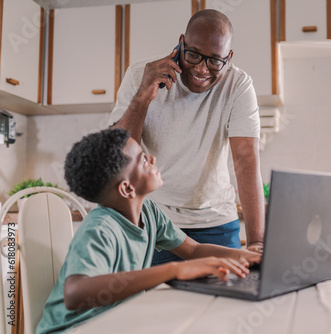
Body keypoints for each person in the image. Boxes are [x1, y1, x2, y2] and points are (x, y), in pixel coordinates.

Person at [36, 128, 261, 334]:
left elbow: (193, 250)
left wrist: (251, 257)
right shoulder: (101, 229)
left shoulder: (150, 212)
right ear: (127, 188)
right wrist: (174, 270)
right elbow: (75, 294)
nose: (152, 158)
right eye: (143, 160)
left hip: (114, 324)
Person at [109, 9, 266, 264]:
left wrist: (257, 241)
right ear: (181, 42)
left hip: (216, 224)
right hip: (153, 221)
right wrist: (143, 96)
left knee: (227, 302)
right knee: (154, 302)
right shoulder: (140, 75)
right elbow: (118, 154)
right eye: (193, 54)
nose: (202, 69)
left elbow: (246, 160)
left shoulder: (238, 85)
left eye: (215, 61)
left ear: (230, 57)